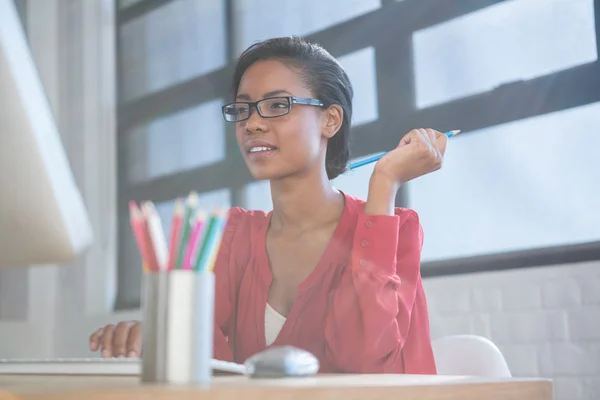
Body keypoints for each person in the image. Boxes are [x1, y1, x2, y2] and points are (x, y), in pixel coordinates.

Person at [90, 36, 446, 374]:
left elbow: (365, 360)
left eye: (278, 105)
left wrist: (384, 185)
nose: (253, 123)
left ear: (330, 120)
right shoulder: (235, 236)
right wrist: (151, 338)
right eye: (243, 109)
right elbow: (205, 358)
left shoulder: (392, 231)